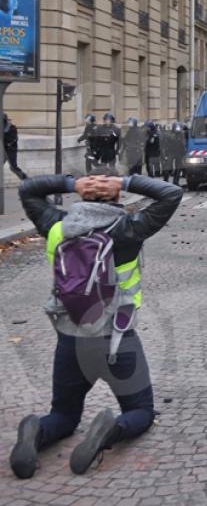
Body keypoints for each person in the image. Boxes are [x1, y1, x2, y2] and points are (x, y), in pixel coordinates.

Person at [10, 170, 182, 479]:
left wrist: (70, 183)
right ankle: (109, 432)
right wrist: (125, 181)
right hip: (117, 341)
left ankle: (37, 432)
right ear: (117, 196)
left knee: (63, 415)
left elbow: (28, 190)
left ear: (81, 195)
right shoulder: (128, 228)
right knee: (140, 410)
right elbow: (170, 193)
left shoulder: (57, 227)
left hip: (70, 342)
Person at [3, 113, 29, 180]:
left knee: (13, 167)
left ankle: (26, 179)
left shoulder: (12, 128)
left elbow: (12, 139)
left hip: (10, 149)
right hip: (3, 149)